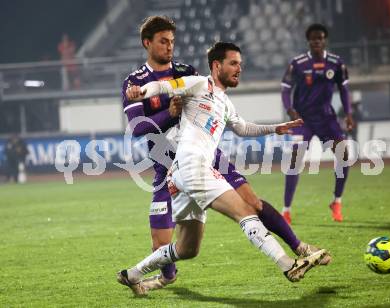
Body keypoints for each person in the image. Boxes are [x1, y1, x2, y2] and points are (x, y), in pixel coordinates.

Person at [120, 16, 329, 294]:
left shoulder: (215, 94)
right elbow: (154, 98)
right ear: (148, 43)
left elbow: (242, 127)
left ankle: (133, 273)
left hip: (187, 167)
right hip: (182, 164)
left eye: (172, 41)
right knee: (242, 211)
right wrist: (143, 94)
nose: (170, 47)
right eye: (234, 64)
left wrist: (276, 128)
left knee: (189, 247)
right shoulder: (181, 82)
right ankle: (287, 264)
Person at [281, 23, 354, 224]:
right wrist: (290, 110)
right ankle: (286, 210)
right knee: (295, 161)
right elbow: (286, 90)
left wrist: (348, 113)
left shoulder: (336, 63)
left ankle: (337, 201)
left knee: (344, 155)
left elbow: (345, 89)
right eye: (313, 39)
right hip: (302, 119)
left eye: (320, 38)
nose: (316, 41)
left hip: (326, 118)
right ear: (308, 41)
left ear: (325, 40)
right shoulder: (297, 63)